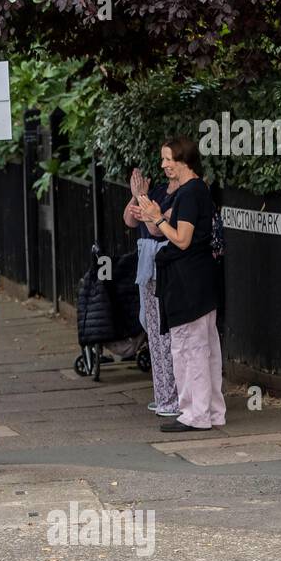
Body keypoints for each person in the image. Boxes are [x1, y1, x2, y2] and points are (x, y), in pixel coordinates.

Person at [135, 138, 224, 433]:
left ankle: (194, 414)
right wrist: (153, 215)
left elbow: (181, 238)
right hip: (201, 281)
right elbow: (163, 225)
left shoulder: (189, 193)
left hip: (188, 282)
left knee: (188, 348)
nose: (163, 165)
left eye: (168, 159)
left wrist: (157, 218)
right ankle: (211, 410)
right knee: (206, 347)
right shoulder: (197, 190)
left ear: (183, 160)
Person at [125, 161, 181, 419]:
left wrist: (142, 197)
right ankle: (162, 395)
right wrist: (136, 195)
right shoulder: (156, 193)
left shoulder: (178, 195)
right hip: (148, 268)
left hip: (164, 267)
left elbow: (153, 228)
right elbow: (128, 220)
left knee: (165, 333)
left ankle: (172, 397)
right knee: (153, 330)